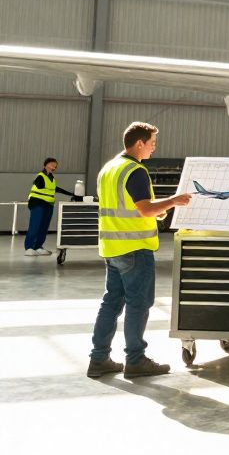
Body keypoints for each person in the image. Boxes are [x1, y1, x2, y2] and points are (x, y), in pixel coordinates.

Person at [86, 122, 191, 379]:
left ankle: (98, 359)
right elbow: (144, 208)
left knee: (111, 303)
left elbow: (127, 208)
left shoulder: (109, 169)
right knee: (138, 304)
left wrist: (156, 211)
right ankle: (135, 360)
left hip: (112, 247)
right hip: (135, 249)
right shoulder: (136, 170)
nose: (154, 149)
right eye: (152, 143)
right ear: (139, 143)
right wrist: (174, 201)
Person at [24, 157, 73, 256]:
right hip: (37, 203)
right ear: (45, 165)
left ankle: (38, 247)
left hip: (48, 204)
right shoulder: (41, 176)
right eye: (51, 165)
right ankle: (29, 247)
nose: (53, 167)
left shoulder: (52, 178)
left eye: (55, 166)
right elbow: (37, 184)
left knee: (44, 227)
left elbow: (56, 189)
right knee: (35, 225)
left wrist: (72, 194)